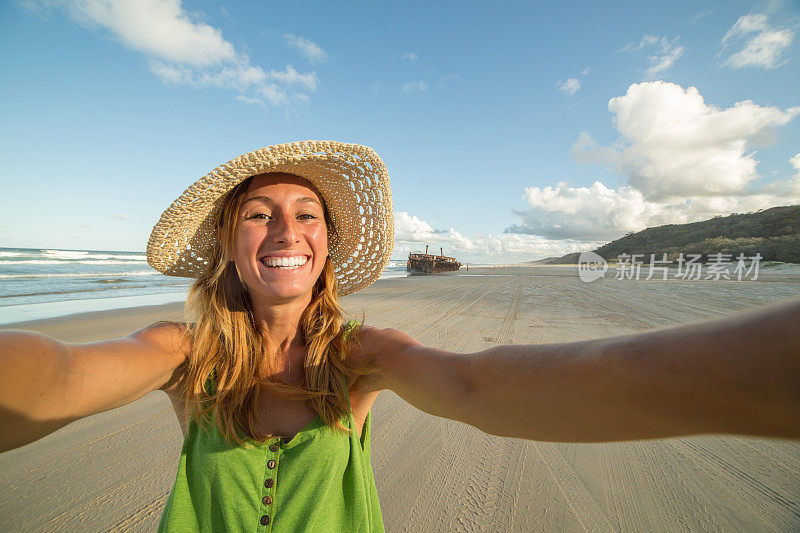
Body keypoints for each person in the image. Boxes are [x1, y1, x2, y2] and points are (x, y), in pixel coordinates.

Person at [1, 140, 798, 532]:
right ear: (230, 248)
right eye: (258, 213)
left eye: (305, 213)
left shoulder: (361, 357)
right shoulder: (186, 354)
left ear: (326, 246)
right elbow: (60, 375)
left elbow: (480, 386)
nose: (285, 228)